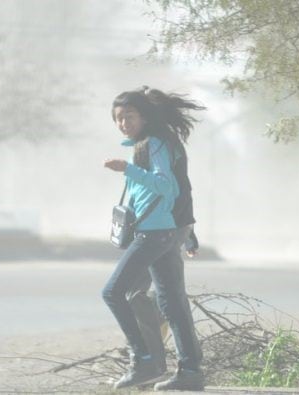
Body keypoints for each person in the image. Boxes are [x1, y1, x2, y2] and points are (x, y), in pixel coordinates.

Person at [102, 86, 206, 391]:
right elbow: (180, 191)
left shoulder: (155, 144)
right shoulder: (156, 143)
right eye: (118, 119)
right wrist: (188, 232)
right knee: (172, 304)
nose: (123, 123)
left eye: (129, 116)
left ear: (145, 117)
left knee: (114, 293)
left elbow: (167, 187)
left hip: (157, 233)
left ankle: (146, 361)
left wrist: (128, 169)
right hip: (168, 230)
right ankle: (189, 372)